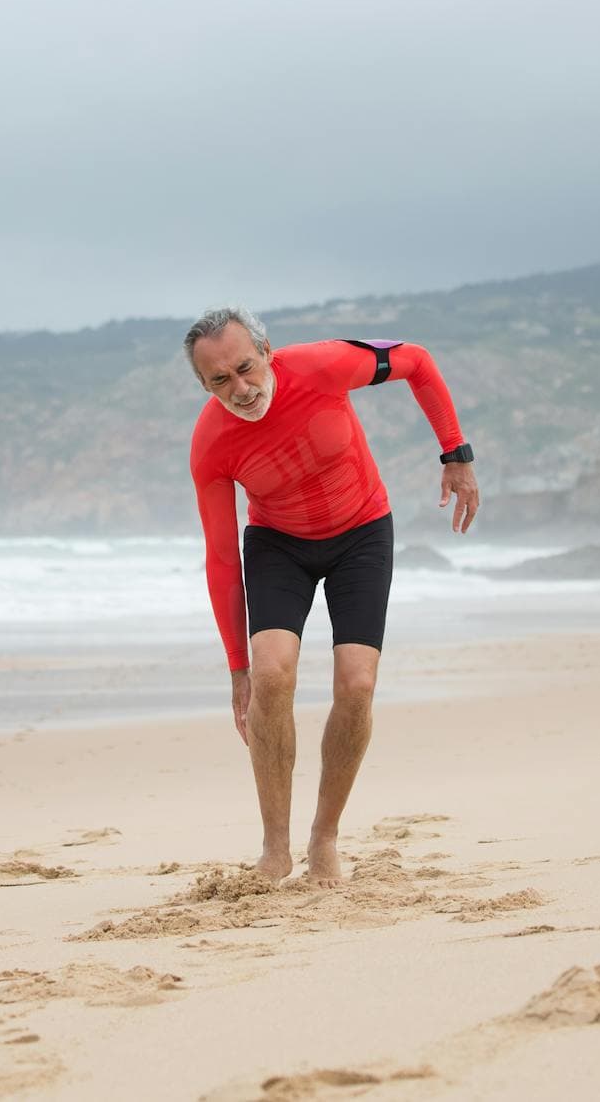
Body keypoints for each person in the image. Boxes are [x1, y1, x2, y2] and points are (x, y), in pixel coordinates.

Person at [185, 307, 478, 887]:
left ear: (266, 351)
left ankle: (324, 837)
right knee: (272, 676)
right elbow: (221, 560)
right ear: (204, 385)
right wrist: (238, 669)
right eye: (220, 380)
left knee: (357, 684)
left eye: (245, 368)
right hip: (278, 545)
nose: (240, 389)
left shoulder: (323, 366)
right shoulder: (211, 443)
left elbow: (417, 361)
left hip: (361, 532)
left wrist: (456, 455)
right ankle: (275, 849)